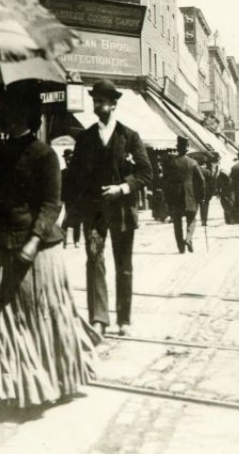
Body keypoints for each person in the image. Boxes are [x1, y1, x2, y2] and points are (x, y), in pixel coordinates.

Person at [0, 81, 97, 409]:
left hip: (38, 249)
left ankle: (53, 379)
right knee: (2, 320)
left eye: (11, 112)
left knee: (43, 315)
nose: (5, 117)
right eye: (4, 112)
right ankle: (17, 383)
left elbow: (51, 204)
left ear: (25, 116)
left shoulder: (45, 155)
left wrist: (33, 240)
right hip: (1, 245)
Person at [69, 79, 153, 337]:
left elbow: (146, 172)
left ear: (114, 104)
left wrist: (123, 188)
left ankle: (124, 319)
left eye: (103, 100)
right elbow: (75, 177)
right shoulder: (84, 138)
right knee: (94, 260)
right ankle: (99, 319)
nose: (98, 104)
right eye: (95, 99)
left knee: (123, 265)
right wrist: (72, 210)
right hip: (94, 212)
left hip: (122, 211)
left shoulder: (130, 137)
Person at [165, 136, 205, 254]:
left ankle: (180, 247)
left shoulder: (171, 163)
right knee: (191, 219)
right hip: (190, 195)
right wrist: (201, 196)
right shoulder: (193, 163)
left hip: (176, 195)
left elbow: (166, 181)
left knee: (177, 222)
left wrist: (168, 197)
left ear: (178, 148)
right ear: (187, 149)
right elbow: (201, 180)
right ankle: (188, 238)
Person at [60, 148, 81, 247]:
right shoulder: (63, 172)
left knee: (77, 220)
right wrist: (61, 199)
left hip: (77, 199)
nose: (68, 160)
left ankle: (76, 241)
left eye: (70, 158)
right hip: (67, 199)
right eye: (66, 158)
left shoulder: (78, 172)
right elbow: (61, 187)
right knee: (66, 220)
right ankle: (64, 241)